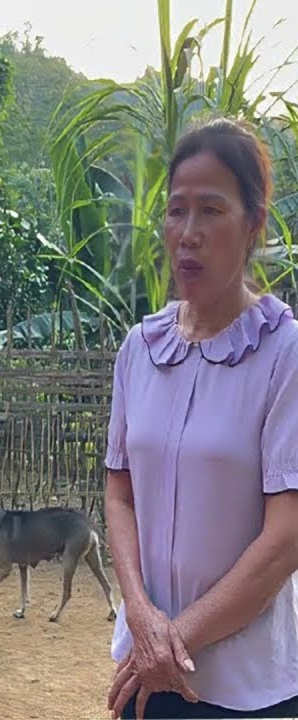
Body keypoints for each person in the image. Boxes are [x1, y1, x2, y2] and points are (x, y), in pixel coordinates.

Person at [104, 117, 298, 719]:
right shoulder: (140, 349)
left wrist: (174, 640)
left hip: (248, 689)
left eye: (211, 210)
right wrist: (141, 616)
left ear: (253, 225)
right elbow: (119, 492)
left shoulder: (284, 354)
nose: (188, 234)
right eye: (176, 211)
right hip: (145, 674)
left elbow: (287, 536)